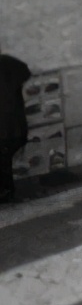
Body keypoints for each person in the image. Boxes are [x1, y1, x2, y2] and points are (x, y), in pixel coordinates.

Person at [0, 44, 32, 202]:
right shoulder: (10, 63)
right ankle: (7, 192)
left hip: (5, 128)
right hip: (16, 126)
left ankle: (5, 192)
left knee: (3, 160)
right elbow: (26, 72)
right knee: (5, 160)